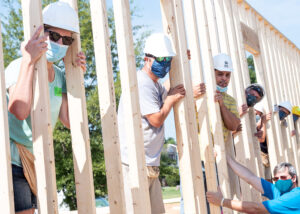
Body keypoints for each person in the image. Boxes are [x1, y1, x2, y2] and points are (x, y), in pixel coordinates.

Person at [5, 2, 86, 214]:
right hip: (13, 161)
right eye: (53, 36)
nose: (59, 43)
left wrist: (75, 79)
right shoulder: (18, 66)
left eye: (66, 39)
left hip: (40, 160)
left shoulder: (59, 76)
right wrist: (29, 62)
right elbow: (19, 111)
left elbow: (68, 120)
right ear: (41, 32)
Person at [118, 33, 206, 214]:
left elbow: (166, 92)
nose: (165, 64)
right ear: (146, 59)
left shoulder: (154, 84)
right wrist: (171, 99)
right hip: (134, 164)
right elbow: (156, 119)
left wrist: (182, 69)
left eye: (168, 60)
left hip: (149, 163)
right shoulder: (141, 83)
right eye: (161, 60)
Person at [207, 155, 300, 213]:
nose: (279, 181)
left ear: (293, 178)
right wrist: (227, 159)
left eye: (283, 177)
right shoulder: (279, 192)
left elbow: (256, 208)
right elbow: (251, 178)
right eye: (276, 179)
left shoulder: (295, 196)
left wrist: (222, 201)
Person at [213, 53, 241, 142]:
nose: (224, 78)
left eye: (227, 75)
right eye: (220, 74)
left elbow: (234, 126)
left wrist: (222, 105)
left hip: (220, 151)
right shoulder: (201, 93)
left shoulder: (231, 100)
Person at [254, 103, 272, 181]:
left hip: (267, 155)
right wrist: (263, 122)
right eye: (255, 113)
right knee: (261, 180)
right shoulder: (257, 125)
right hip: (260, 155)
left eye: (259, 114)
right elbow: (261, 139)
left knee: (269, 180)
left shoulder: (264, 124)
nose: (256, 115)